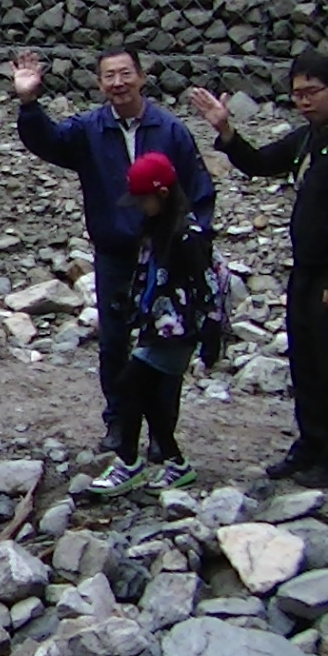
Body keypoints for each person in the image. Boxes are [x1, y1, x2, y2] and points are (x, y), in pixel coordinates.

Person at [189, 51, 328, 491]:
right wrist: (225, 129)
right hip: (306, 268)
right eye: (297, 94)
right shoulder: (309, 137)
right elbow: (259, 163)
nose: (304, 102)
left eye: (313, 92)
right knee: (307, 360)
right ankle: (312, 443)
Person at [12, 47, 214, 453]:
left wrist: (194, 242)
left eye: (125, 74)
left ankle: (162, 434)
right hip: (115, 253)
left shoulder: (170, 130)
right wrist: (29, 102)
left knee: (164, 342)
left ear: (142, 77)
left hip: (164, 256)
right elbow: (48, 142)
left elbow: (198, 188)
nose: (118, 83)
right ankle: (120, 425)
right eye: (109, 76)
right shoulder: (90, 128)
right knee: (114, 343)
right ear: (99, 84)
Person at [87, 153, 217, 497]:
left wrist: (210, 332)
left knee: (131, 385)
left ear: (160, 195)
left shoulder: (186, 235)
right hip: (155, 326)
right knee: (149, 399)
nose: (138, 207)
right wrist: (127, 304)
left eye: (142, 199)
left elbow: (207, 284)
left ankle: (128, 462)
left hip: (176, 331)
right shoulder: (154, 230)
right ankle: (176, 463)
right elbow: (146, 275)